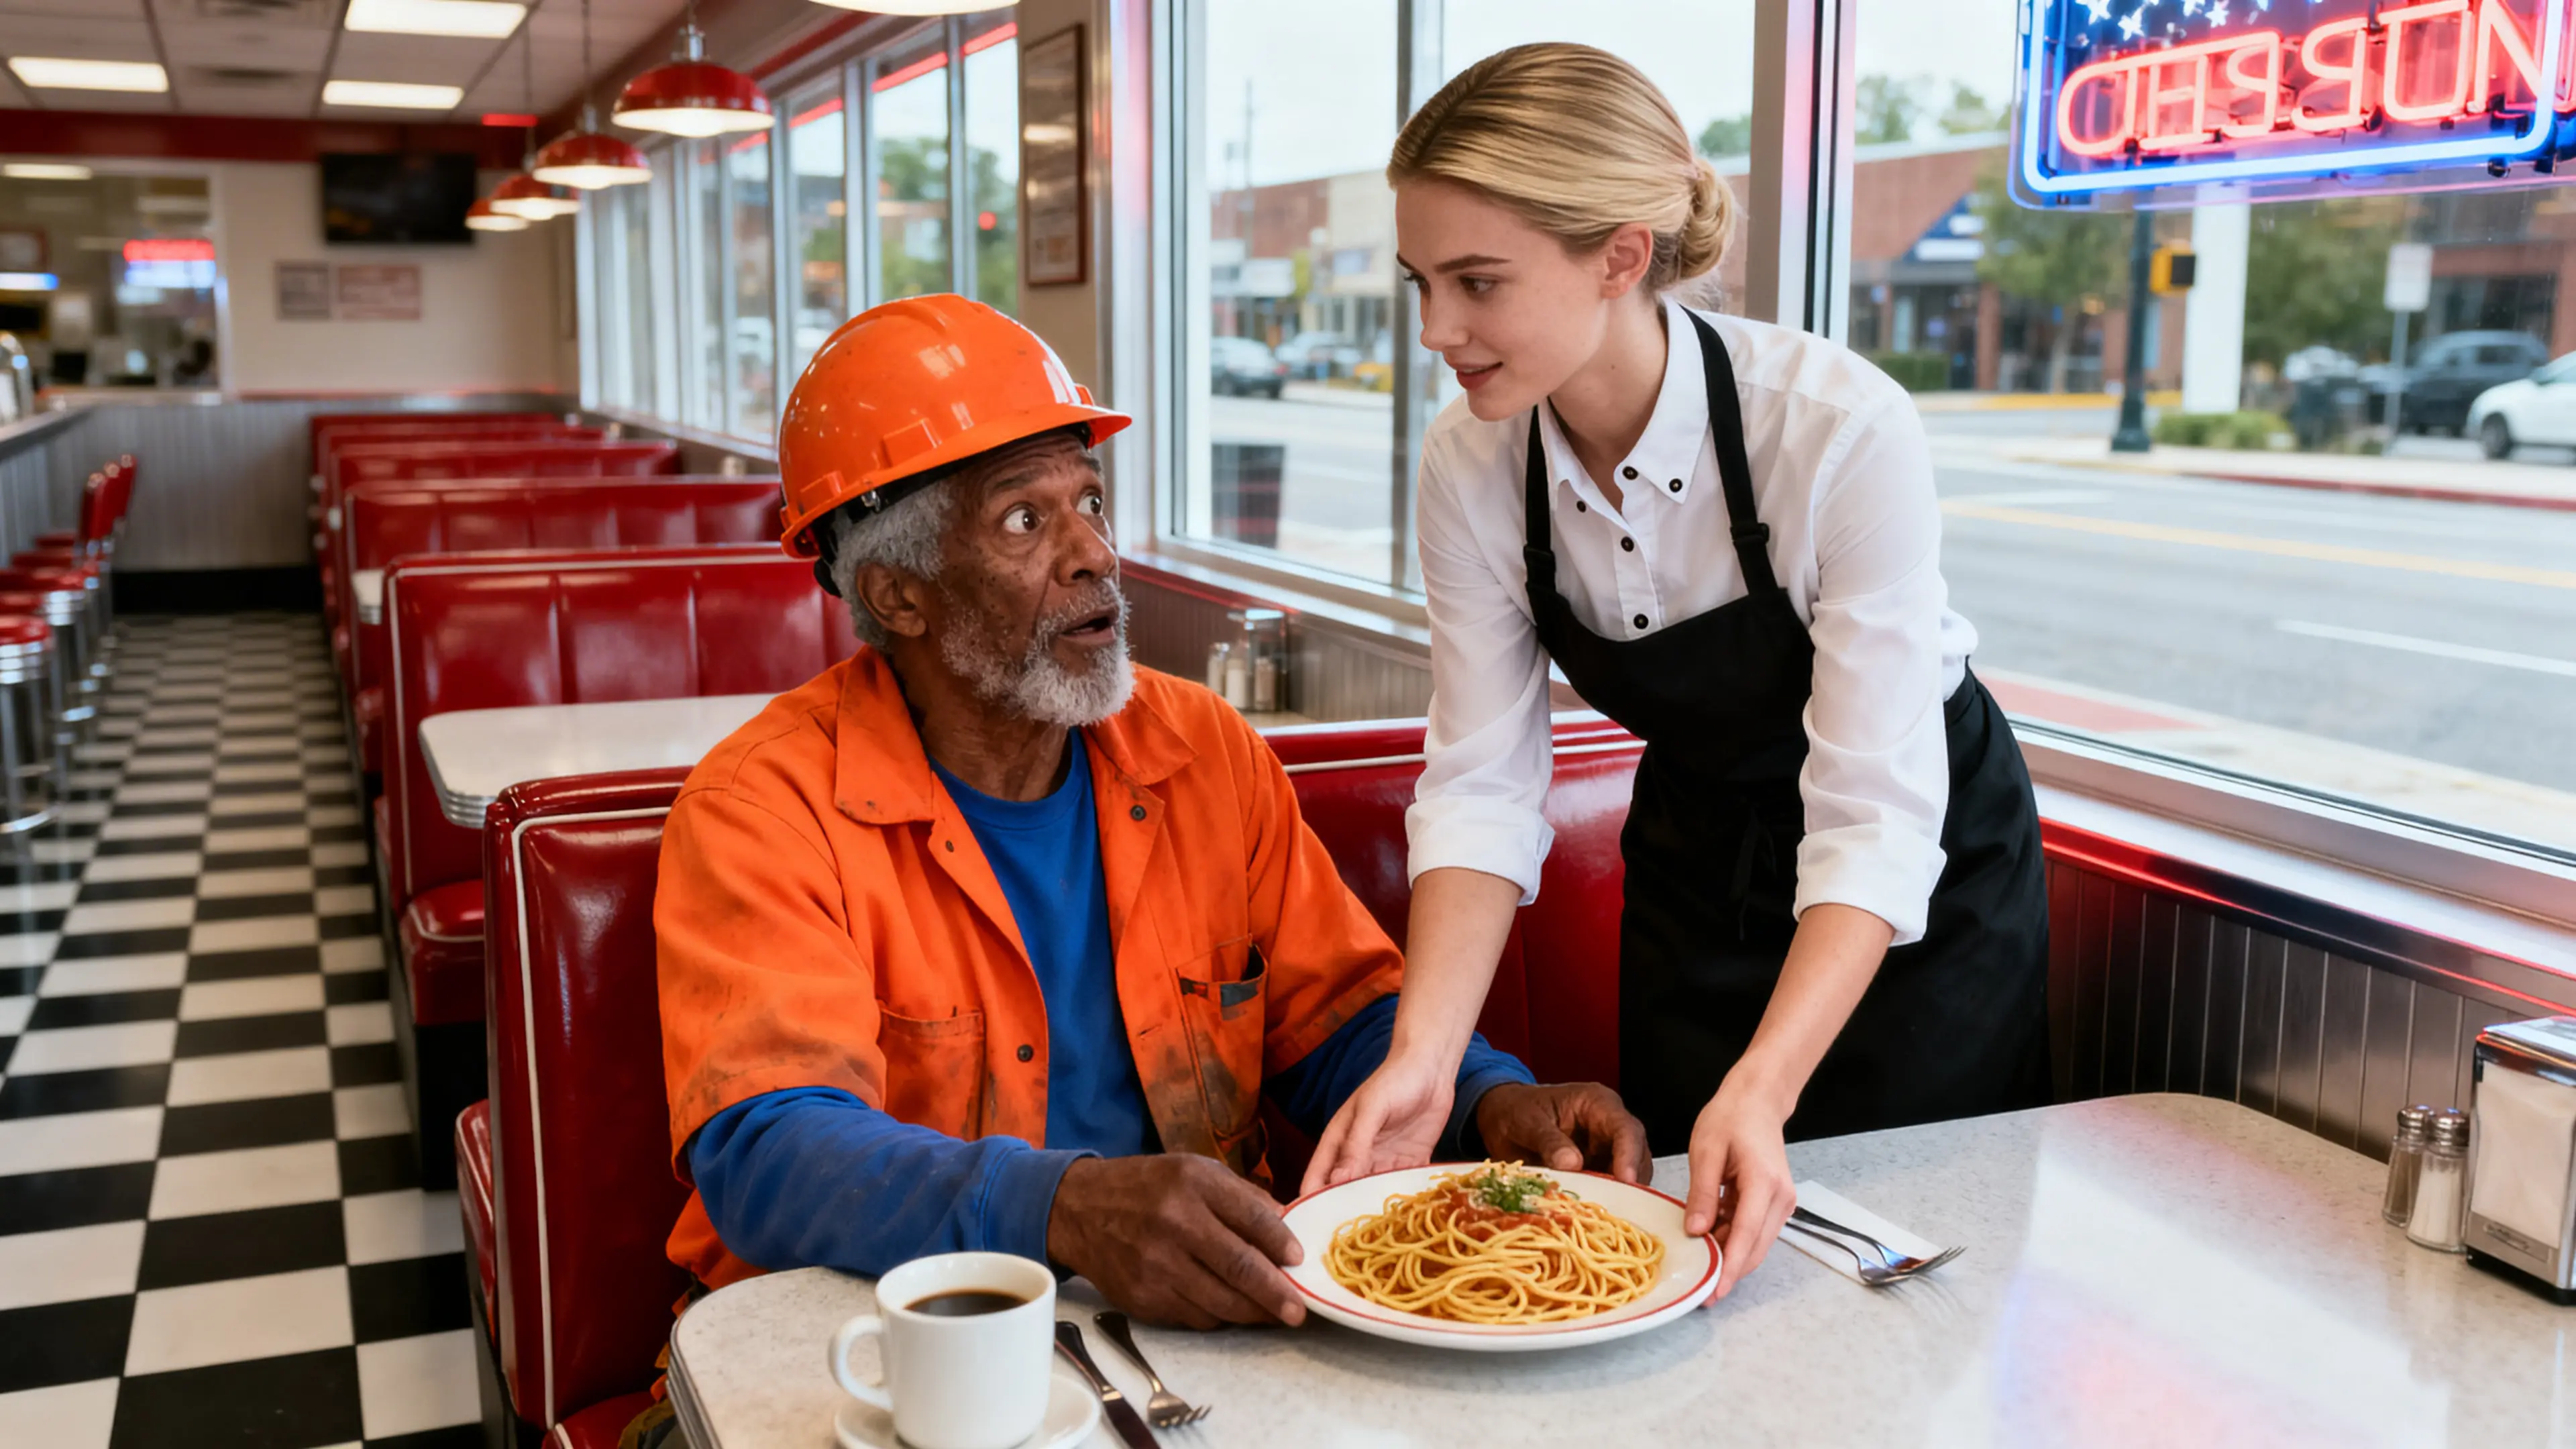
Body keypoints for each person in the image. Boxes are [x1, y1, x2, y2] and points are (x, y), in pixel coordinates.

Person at [651, 294, 1650, 1330]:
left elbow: (1337, 1022)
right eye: (1025, 521)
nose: (1093, 554)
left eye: (1091, 501)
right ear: (901, 596)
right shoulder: (762, 807)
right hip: (873, 1340)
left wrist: (1487, 1096)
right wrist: (1067, 1211)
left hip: (1190, 1327)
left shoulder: (1203, 749)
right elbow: (768, 1149)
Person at [1301, 44, 2051, 1301]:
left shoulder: (1836, 429)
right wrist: (1425, 1060)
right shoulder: (1471, 465)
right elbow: (1483, 784)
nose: (1437, 331)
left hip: (1917, 888)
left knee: (1901, 1273)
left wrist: (1766, 1083)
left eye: (1479, 282)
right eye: (1423, 282)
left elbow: (1872, 811)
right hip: (1699, 862)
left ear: (1621, 255)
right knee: (1684, 1256)